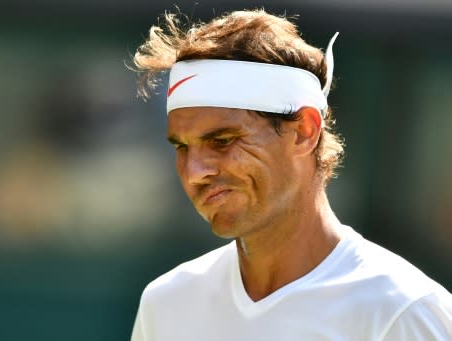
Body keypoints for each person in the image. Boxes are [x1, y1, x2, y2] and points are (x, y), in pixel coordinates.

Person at [130, 9, 452, 340]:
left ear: (304, 131)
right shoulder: (166, 305)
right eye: (182, 147)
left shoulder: (403, 313)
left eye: (222, 141)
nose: (196, 172)